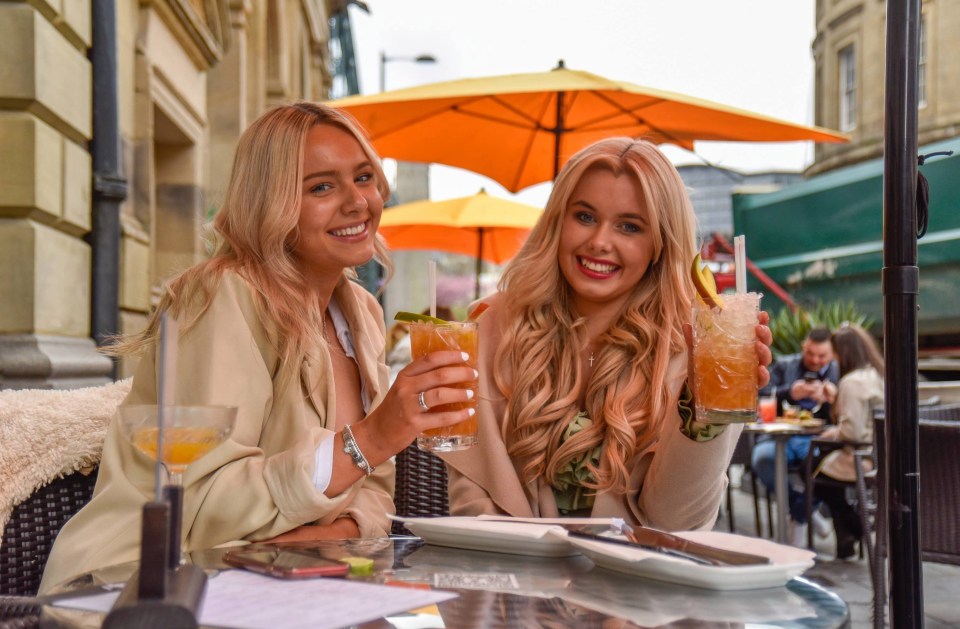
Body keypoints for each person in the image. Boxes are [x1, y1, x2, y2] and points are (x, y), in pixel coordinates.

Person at [40, 102, 476, 591]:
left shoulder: (360, 311)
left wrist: (334, 532)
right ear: (271, 203)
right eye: (321, 187)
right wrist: (373, 438)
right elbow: (201, 505)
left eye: (364, 177)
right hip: (145, 587)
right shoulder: (224, 295)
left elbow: (374, 491)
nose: (358, 203)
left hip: (288, 584)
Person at [439, 138, 772, 530]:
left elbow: (677, 522)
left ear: (659, 245)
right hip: (512, 573)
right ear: (557, 222)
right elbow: (471, 499)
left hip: (638, 580)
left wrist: (703, 416)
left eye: (629, 226)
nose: (599, 241)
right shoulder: (491, 327)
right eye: (584, 217)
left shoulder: (695, 342)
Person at [750, 327, 840, 544]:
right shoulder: (785, 365)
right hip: (780, 436)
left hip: (819, 437)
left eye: (821, 356)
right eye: (810, 354)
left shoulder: (838, 371)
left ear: (832, 354)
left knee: (825, 465)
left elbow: (849, 411)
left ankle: (800, 515)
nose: (815, 360)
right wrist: (789, 392)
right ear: (803, 348)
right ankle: (804, 510)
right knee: (762, 459)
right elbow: (761, 394)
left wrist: (831, 398)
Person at [814, 324, 884, 559]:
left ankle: (856, 526)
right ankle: (846, 537)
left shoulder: (851, 382)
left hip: (859, 455)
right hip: (878, 454)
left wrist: (831, 432)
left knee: (813, 473)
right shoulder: (876, 374)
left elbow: (851, 431)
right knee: (820, 472)